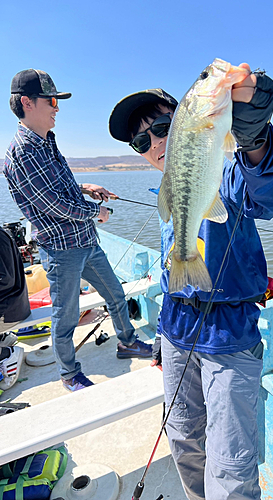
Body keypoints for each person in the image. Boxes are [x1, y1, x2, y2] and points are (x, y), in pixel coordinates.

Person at [109, 63, 273, 499]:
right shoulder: (166, 193)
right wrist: (160, 340)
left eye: (162, 128)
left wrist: (255, 136)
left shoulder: (223, 170)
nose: (153, 143)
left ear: (187, 121)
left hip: (228, 338)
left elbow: (267, 192)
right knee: (184, 438)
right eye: (140, 141)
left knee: (231, 468)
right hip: (174, 333)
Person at [3, 69, 152, 392]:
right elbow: (55, 205)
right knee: (65, 316)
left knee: (115, 293)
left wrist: (86, 187)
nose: (57, 107)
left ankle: (127, 342)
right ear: (27, 103)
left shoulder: (46, 141)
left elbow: (62, 188)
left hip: (86, 242)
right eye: (52, 100)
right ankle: (69, 373)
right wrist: (95, 212)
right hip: (61, 251)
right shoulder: (20, 153)